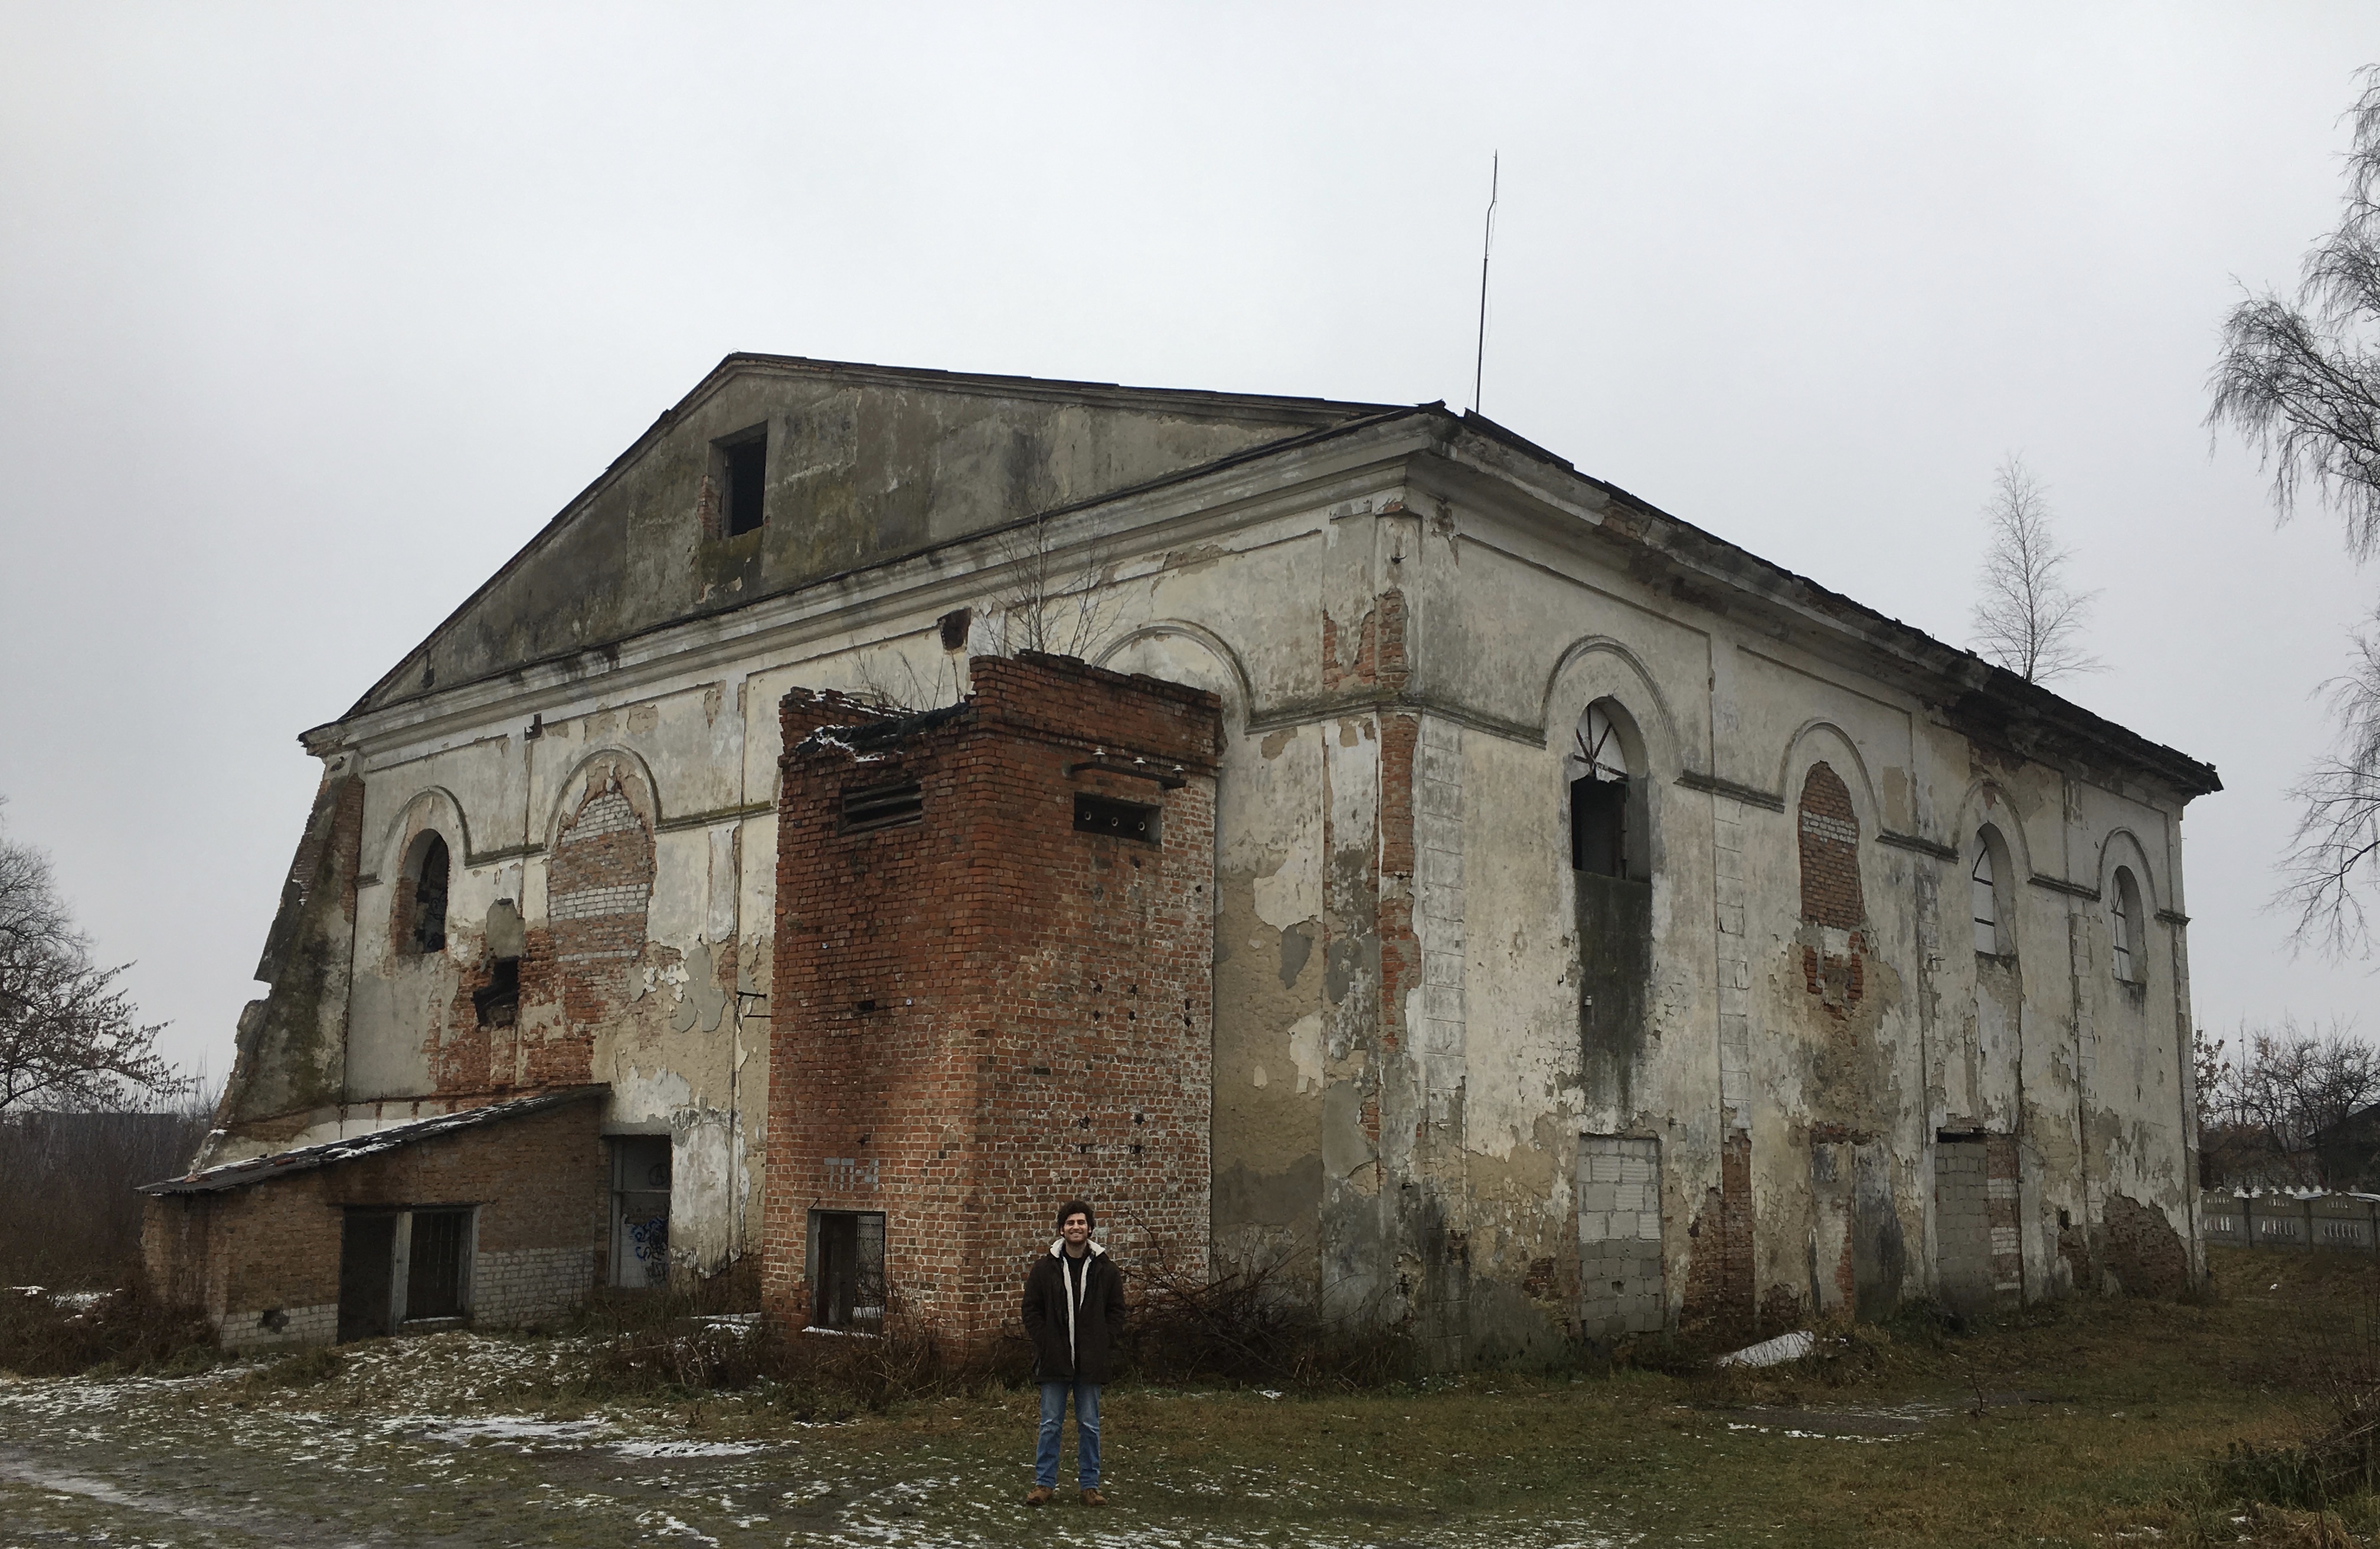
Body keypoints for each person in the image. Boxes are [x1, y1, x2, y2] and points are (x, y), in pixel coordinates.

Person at [1021, 1198, 1124, 1507]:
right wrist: (1046, 1342)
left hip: (1091, 1362)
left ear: (1090, 1229)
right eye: (1070, 1223)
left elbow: (1117, 1312)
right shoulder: (1045, 1269)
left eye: (1081, 1223)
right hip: (1054, 1361)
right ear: (1061, 1229)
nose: (1076, 1227)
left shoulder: (1106, 1269)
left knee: (1089, 1425)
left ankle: (1090, 1487)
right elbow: (1031, 1310)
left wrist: (1104, 1341)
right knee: (1050, 1424)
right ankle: (1044, 1484)